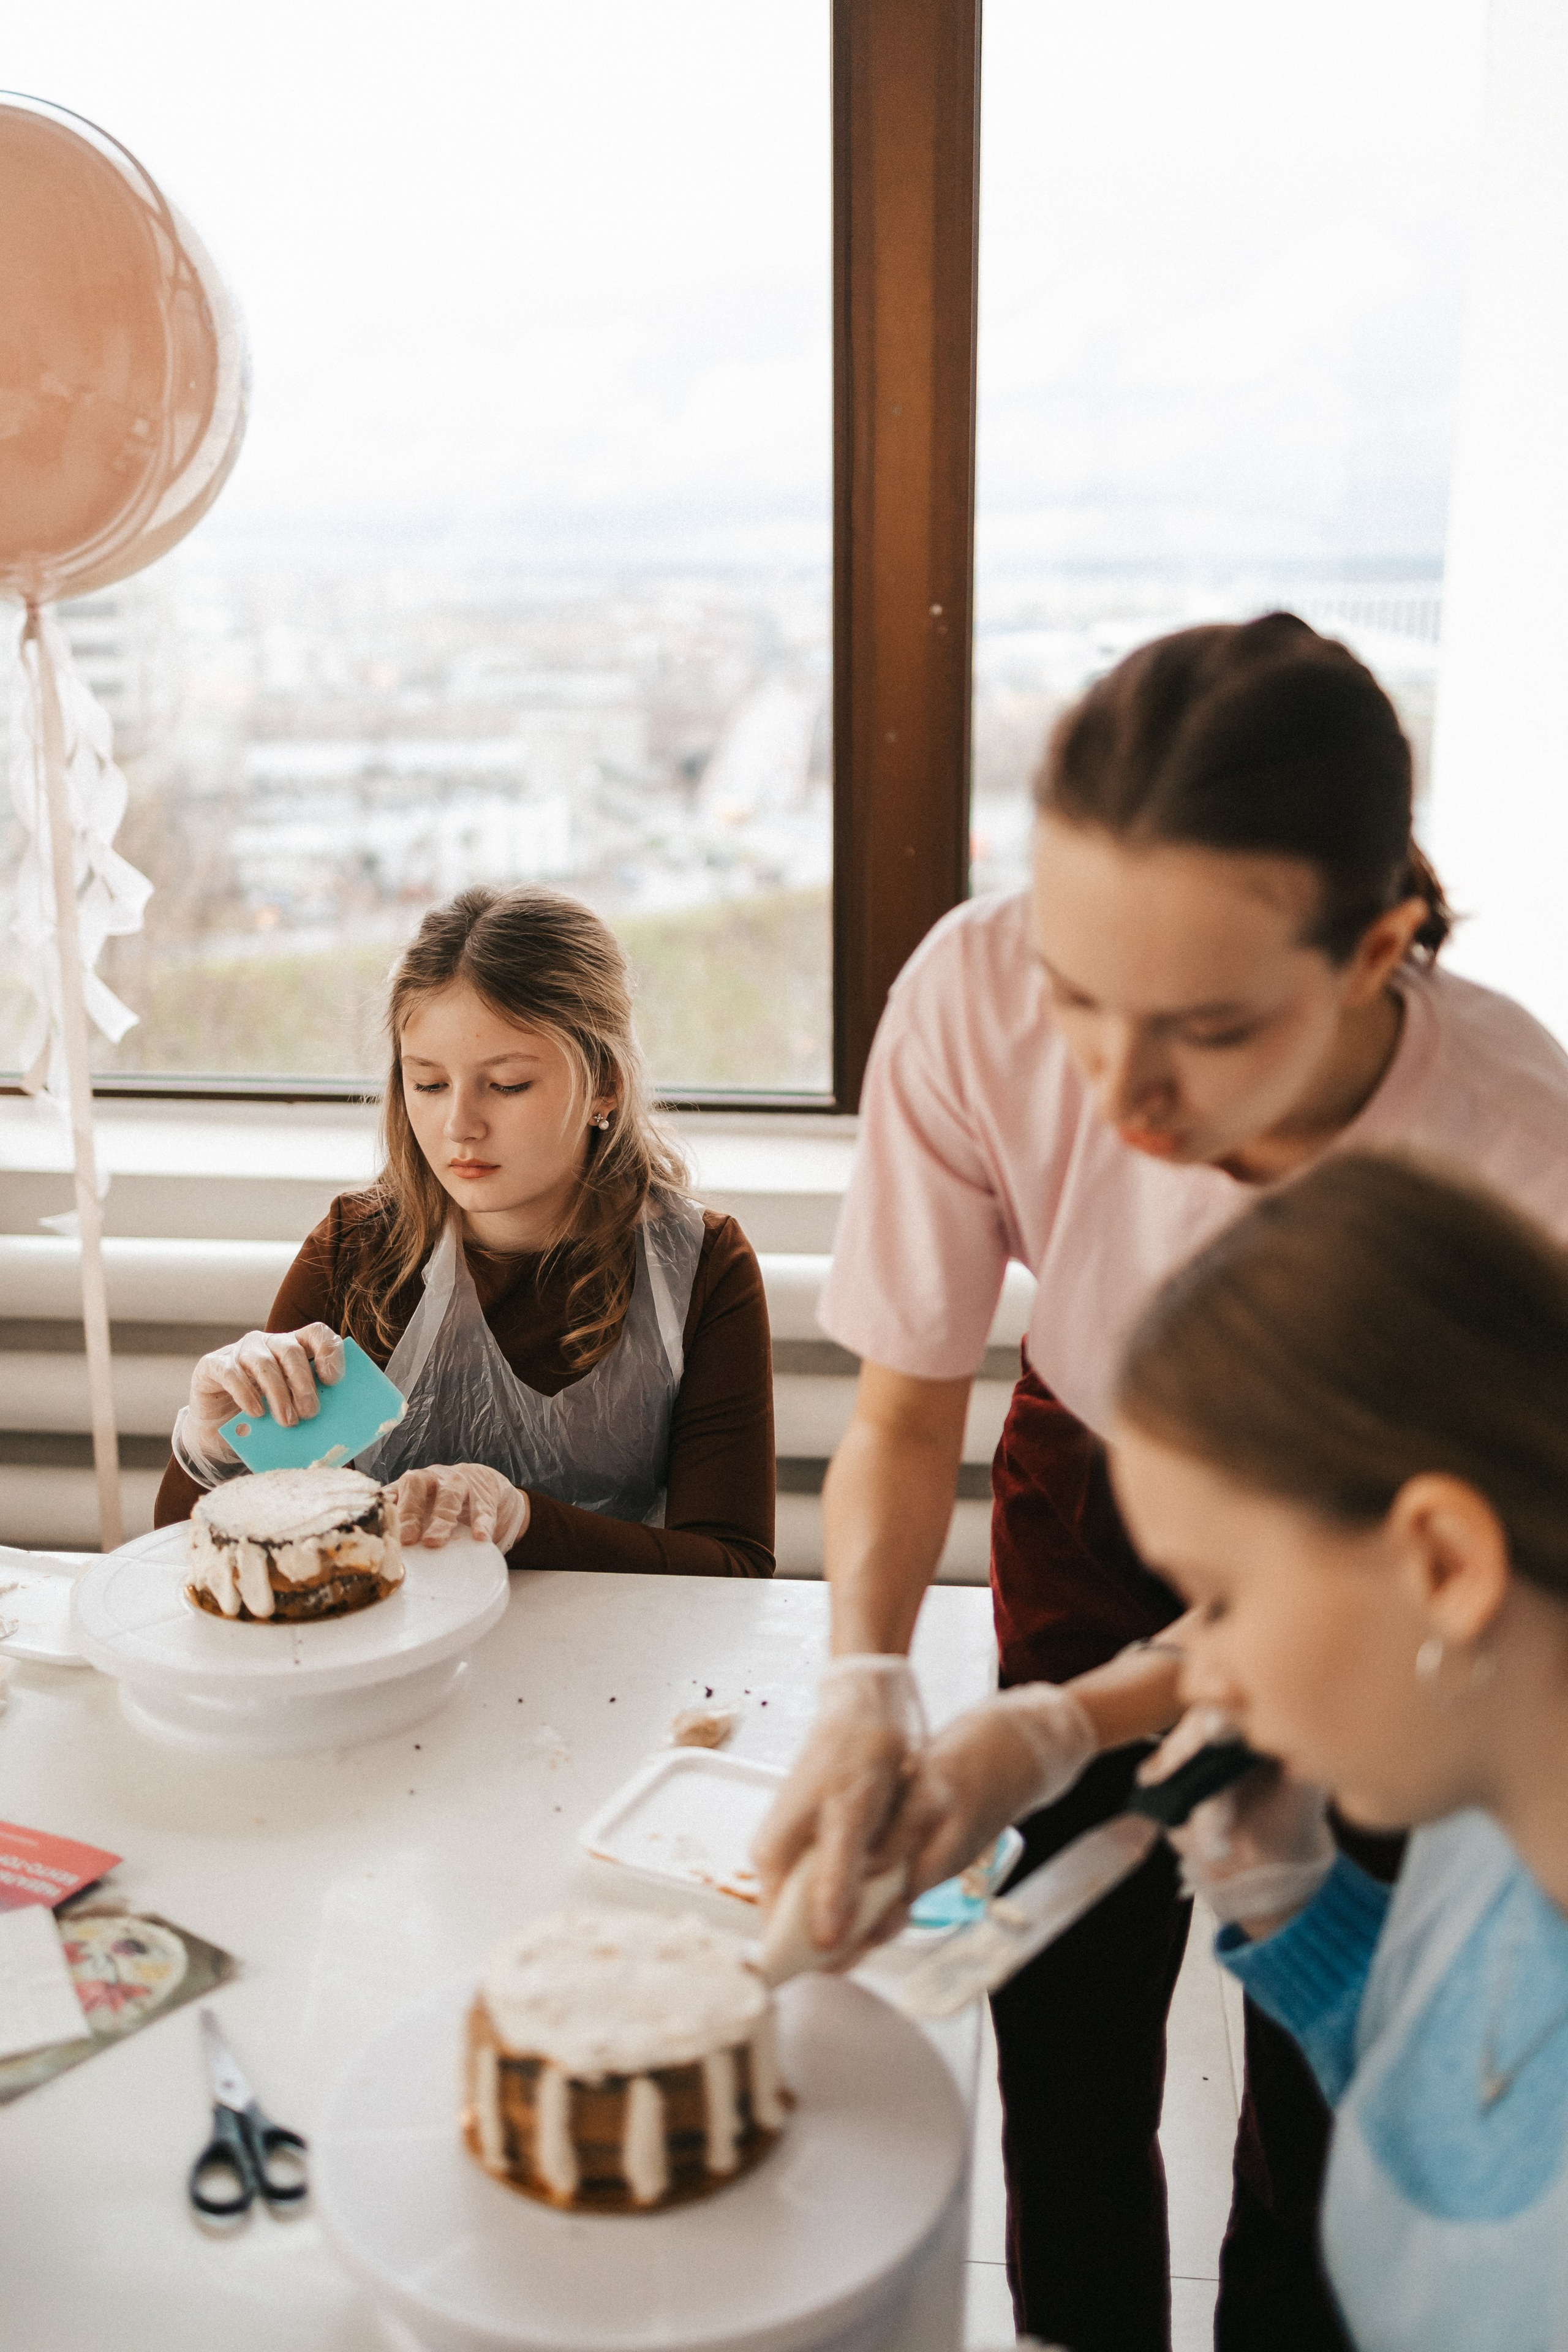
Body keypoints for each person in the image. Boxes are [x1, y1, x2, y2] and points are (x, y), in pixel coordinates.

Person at [753, 614, 1568, 2352]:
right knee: (1063, 2001)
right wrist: (892, 1692)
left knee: (1344, 2112)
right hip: (1105, 1484)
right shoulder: (971, 996)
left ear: (1379, 951)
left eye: (1202, 1025)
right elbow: (906, 1412)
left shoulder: (1516, 1156)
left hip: (1396, 1599)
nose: (1115, 1092)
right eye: (1073, 991)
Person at [1110, 1151, 1568, 2351]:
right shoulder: (1492, 1804)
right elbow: (1454, 2089)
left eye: (1216, 1597)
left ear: (1441, 1564)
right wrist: (1295, 1912)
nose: (1197, 1674)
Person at [154, 885, 775, 1578]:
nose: (459, 1127)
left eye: (507, 1085)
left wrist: (523, 1521)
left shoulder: (702, 1269)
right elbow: (193, 1561)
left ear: (605, 1086)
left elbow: (734, 1566)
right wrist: (216, 1444)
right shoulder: (354, 1253)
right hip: (386, 1654)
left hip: (612, 1662)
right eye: (428, 1084)